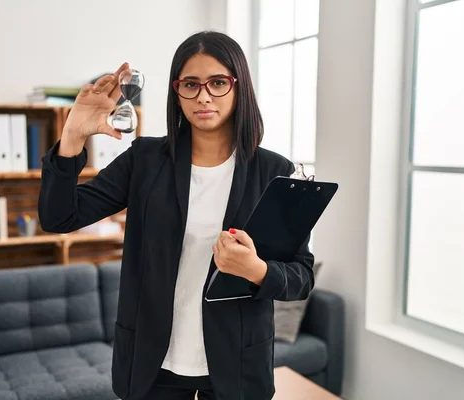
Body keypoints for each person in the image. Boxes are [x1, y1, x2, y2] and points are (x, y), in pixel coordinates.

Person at [38, 30, 315, 400]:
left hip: (237, 365)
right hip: (154, 366)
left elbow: (301, 276)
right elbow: (59, 217)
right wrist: (73, 136)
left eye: (217, 82)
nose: (203, 96)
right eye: (190, 84)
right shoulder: (146, 161)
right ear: (177, 91)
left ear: (239, 87)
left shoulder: (274, 172)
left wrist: (257, 270)